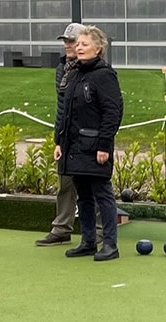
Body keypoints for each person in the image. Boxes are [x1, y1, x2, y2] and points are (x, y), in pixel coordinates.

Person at [53, 25, 124, 262]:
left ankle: (111, 244)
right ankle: (88, 241)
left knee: (102, 194)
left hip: (95, 147)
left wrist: (104, 145)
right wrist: (59, 142)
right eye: (78, 44)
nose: (79, 47)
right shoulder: (73, 74)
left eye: (84, 44)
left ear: (98, 48)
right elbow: (66, 113)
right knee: (83, 195)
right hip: (73, 147)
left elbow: (112, 112)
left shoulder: (105, 75)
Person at [35, 22, 87, 246]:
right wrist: (58, 138)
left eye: (72, 41)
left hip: (87, 135)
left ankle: (99, 231)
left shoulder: (93, 69)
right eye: (65, 41)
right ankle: (62, 228)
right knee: (64, 182)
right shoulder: (62, 69)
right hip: (67, 136)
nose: (67, 45)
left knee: (91, 184)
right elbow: (61, 107)